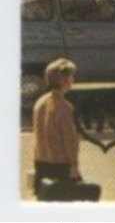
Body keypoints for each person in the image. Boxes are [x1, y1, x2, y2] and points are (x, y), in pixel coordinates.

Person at [32, 59, 99, 202]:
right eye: (71, 76)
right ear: (65, 80)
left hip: (41, 162)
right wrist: (74, 166)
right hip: (60, 165)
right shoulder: (64, 107)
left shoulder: (40, 103)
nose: (73, 79)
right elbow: (69, 140)